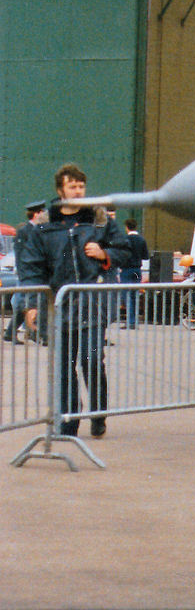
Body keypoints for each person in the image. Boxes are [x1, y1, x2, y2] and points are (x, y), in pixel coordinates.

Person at [16, 164, 133, 438]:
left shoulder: (100, 219)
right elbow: (32, 268)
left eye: (81, 186)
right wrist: (31, 305)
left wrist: (105, 253)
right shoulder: (44, 225)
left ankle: (97, 413)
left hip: (93, 304)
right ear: (61, 190)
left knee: (92, 360)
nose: (78, 191)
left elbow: (125, 250)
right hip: (59, 306)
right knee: (64, 366)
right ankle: (69, 420)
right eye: (72, 186)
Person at [7, 202, 46, 344]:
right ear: (36, 213)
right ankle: (38, 333)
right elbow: (20, 254)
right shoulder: (24, 231)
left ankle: (12, 333)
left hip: (37, 274)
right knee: (30, 304)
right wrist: (24, 274)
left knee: (28, 304)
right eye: (42, 211)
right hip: (28, 275)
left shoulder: (38, 229)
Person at [119, 218, 149, 329]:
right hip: (137, 270)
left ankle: (130, 321)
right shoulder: (141, 240)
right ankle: (134, 320)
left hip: (126, 270)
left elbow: (120, 255)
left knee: (126, 295)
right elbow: (145, 256)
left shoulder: (124, 239)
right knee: (135, 295)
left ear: (127, 227)